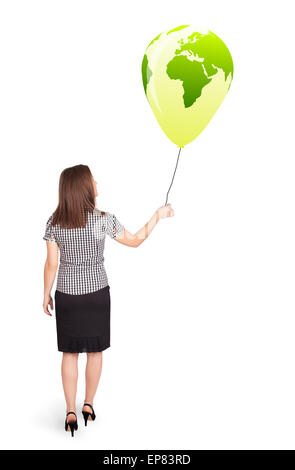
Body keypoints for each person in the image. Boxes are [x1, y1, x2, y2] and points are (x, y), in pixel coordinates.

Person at [42, 164, 174, 436]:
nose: (96, 183)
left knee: (69, 352)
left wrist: (45, 292)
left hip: (67, 296)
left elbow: (51, 264)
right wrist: (157, 216)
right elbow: (137, 240)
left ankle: (70, 410)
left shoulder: (54, 222)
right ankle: (88, 404)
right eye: (93, 180)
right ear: (84, 187)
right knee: (95, 351)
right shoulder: (104, 219)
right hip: (96, 295)